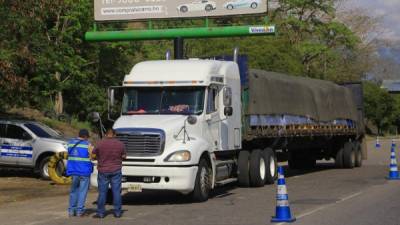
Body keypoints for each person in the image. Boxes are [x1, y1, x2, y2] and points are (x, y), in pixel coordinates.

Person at [92, 128, 126, 218]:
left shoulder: (100, 143)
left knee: (102, 192)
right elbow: (124, 156)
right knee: (116, 192)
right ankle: (118, 212)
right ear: (114, 135)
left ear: (106, 134)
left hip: (103, 170)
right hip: (116, 170)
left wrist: (99, 157)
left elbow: (93, 154)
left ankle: (100, 213)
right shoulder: (120, 144)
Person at [66, 129, 94, 217]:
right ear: (85, 136)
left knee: (73, 191)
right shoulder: (88, 145)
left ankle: (71, 211)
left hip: (73, 171)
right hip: (84, 172)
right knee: (82, 192)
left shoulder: (70, 143)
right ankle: (79, 211)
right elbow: (92, 157)